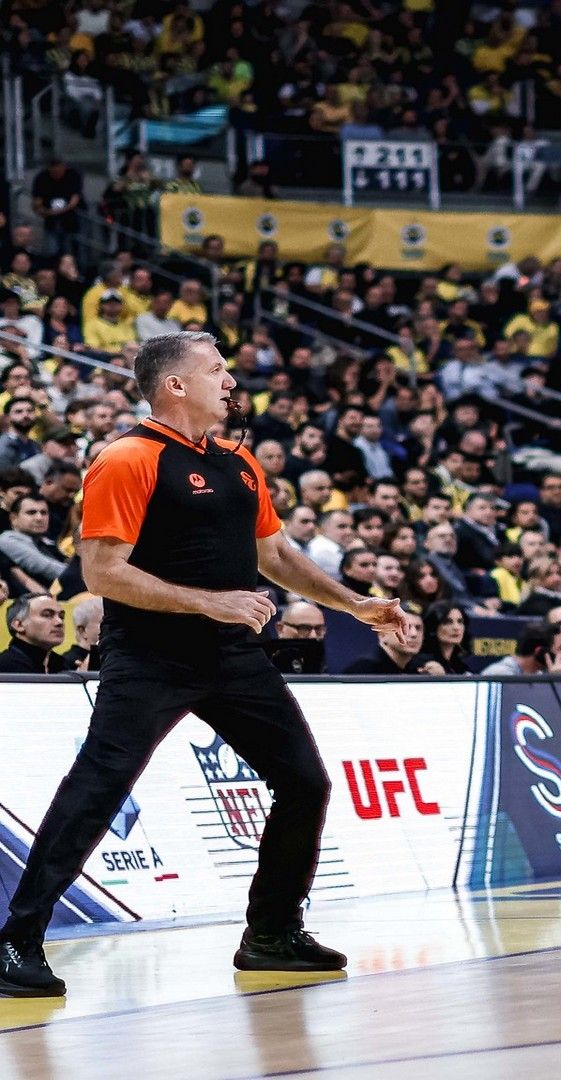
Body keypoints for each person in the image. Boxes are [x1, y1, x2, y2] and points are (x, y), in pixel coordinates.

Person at [0, 333, 405, 998]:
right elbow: (102, 572)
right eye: (216, 370)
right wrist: (210, 601)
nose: (230, 381)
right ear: (176, 385)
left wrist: (354, 603)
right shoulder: (125, 458)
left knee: (304, 782)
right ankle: (16, 939)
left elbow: (276, 556)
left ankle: (271, 933)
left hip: (232, 655)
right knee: (98, 788)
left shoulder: (239, 461)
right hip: (150, 655)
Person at [342, 609, 432, 674]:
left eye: (418, 628)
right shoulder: (364, 669)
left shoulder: (422, 667)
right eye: (404, 627)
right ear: (383, 634)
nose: (414, 634)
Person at [0, 592, 72, 673]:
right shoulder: (5, 666)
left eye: (61, 616)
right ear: (19, 625)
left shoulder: (61, 665)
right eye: (47, 615)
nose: (60, 622)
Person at [479, 622, 561, 677]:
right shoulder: (500, 674)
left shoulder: (539, 674)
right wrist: (558, 681)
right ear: (540, 652)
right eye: (559, 649)